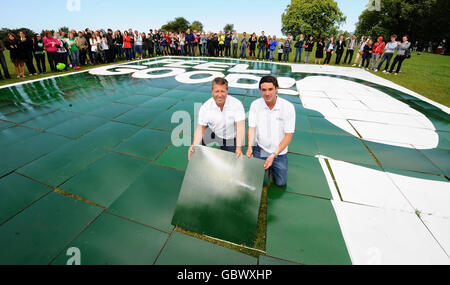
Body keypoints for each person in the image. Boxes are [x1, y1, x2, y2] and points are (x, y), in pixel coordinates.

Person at [246, 76, 295, 187]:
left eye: (270, 89)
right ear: (260, 90)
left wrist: (273, 155)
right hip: (261, 149)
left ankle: (272, 165)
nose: (267, 93)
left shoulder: (288, 107)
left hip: (278, 153)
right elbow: (251, 128)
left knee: (281, 183)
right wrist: (249, 147)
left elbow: (288, 136)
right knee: (252, 179)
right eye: (264, 90)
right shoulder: (255, 104)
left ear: (276, 89)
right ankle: (265, 163)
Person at [188, 77, 245, 160]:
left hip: (229, 137)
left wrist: (239, 147)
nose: (220, 95)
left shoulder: (236, 104)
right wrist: (194, 145)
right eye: (216, 91)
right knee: (197, 142)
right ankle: (201, 156)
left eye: (222, 91)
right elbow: (201, 128)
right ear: (212, 92)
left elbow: (240, 127)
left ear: (227, 91)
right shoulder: (205, 107)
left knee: (230, 161)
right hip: (214, 132)